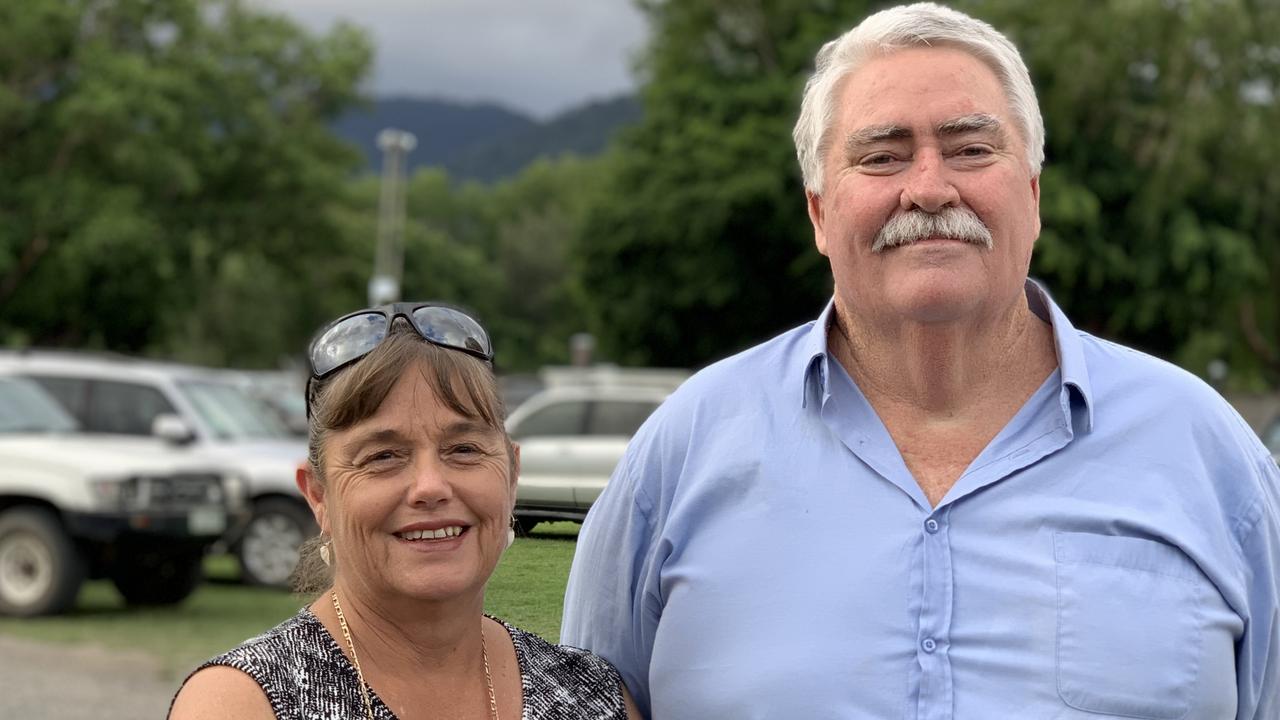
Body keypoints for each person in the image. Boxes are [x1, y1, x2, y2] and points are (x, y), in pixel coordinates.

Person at [561, 3, 1280, 719]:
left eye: (971, 149)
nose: (931, 189)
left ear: (1032, 196)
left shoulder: (1210, 459)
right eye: (882, 156)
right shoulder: (682, 454)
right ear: (818, 213)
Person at [170, 303, 641, 719]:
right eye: (382, 456)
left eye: (463, 449)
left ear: (512, 475)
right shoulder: (244, 704)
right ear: (318, 495)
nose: (430, 487)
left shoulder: (590, 695)